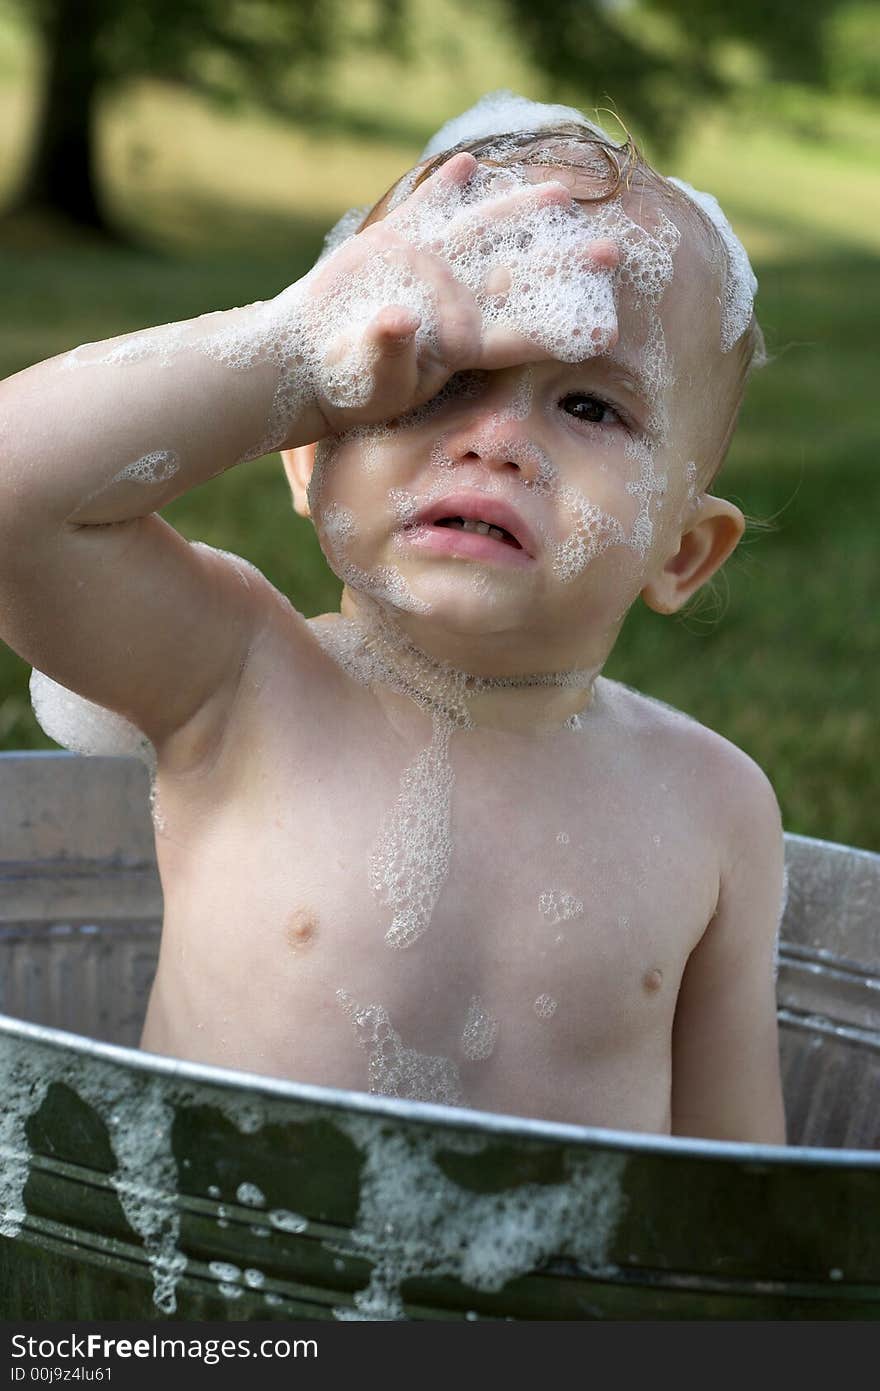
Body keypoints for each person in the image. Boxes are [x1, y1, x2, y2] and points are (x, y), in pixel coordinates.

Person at [0, 92, 787, 1142]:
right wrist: (289, 356)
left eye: (590, 405)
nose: (499, 439)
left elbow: (742, 1197)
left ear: (682, 551)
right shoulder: (235, 681)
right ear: (306, 449)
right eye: (433, 385)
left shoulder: (715, 808)